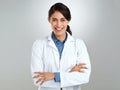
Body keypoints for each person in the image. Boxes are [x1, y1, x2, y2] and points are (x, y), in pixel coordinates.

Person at [31, 2, 91, 90]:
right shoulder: (39, 45)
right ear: (49, 20)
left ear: (68, 20)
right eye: (54, 20)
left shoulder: (79, 44)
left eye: (62, 20)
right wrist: (70, 73)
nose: (59, 24)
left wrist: (54, 75)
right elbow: (37, 79)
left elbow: (84, 77)